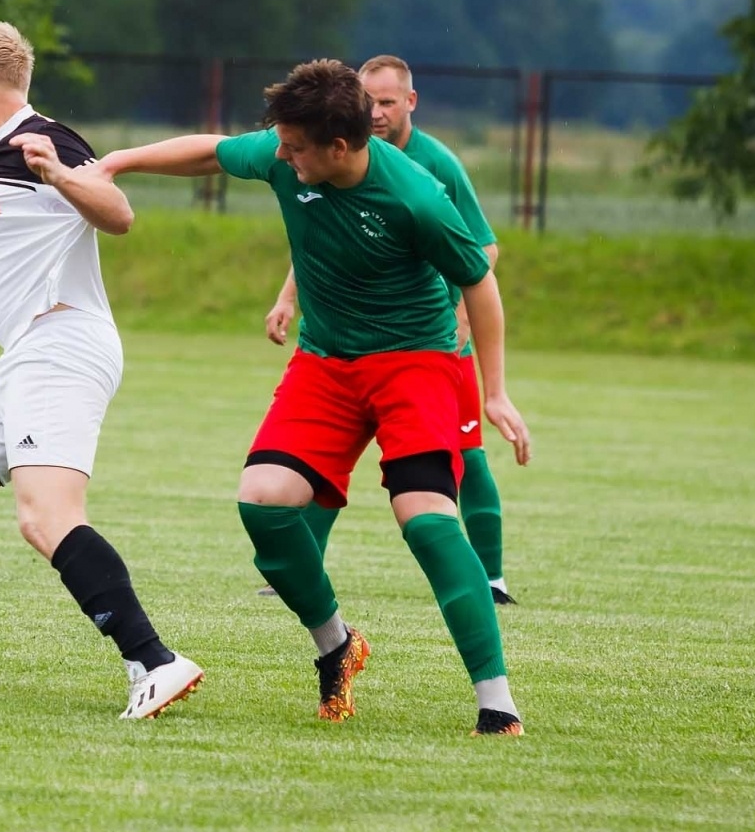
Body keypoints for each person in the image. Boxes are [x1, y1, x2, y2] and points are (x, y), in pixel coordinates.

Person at [97, 59, 532, 736]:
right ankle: (336, 643)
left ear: (340, 146)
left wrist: (496, 391)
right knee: (263, 500)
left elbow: (480, 278)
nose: (283, 154)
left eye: (297, 146)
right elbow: (207, 151)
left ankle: (496, 698)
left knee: (426, 520)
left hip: (415, 365)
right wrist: (118, 162)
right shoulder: (285, 155)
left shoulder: (415, 195)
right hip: (326, 364)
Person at [0, 20, 202, 718]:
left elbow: (117, 213)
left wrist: (60, 171)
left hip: (60, 346)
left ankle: (156, 661)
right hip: (28, 356)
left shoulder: (46, 142)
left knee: (46, 516)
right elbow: (21, 243)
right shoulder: (3, 155)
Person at [257, 55, 517, 604]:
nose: (376, 113)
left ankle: (491, 578)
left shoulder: (433, 167)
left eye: (387, 102)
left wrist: (463, 318)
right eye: (368, 101)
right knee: (320, 463)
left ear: (410, 103)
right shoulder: (323, 157)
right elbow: (323, 238)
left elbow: (482, 250)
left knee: (464, 458)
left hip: (431, 343)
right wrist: (288, 297)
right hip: (348, 348)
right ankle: (306, 571)